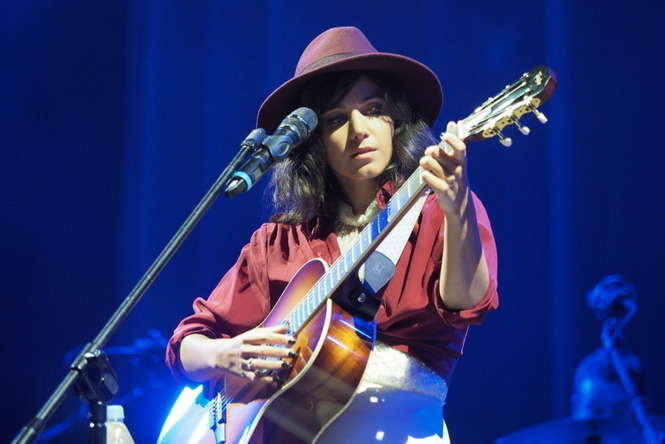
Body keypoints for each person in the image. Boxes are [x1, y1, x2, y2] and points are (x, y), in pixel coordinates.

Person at [166, 26, 499, 443]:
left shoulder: (438, 209)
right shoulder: (280, 241)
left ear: (395, 121)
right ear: (315, 142)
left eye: (373, 109)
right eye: (336, 119)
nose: (359, 129)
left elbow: (469, 302)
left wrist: (457, 207)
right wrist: (224, 354)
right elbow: (186, 345)